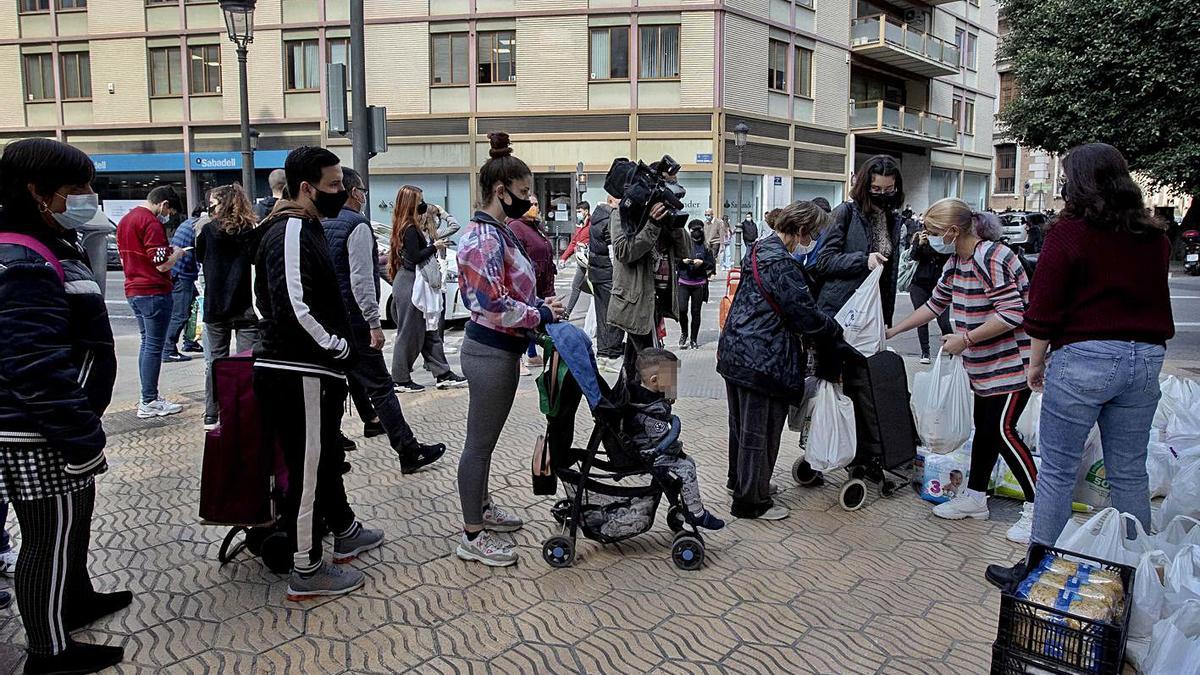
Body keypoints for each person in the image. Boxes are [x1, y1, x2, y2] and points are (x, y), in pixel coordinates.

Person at [987, 143, 1174, 587]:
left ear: (1080, 183)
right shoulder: (1155, 237)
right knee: (1129, 469)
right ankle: (1133, 574)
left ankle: (1036, 568)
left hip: (1085, 357)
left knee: (1057, 468)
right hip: (1146, 358)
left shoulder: (1068, 233)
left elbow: (1044, 308)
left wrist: (1035, 364)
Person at [0, 138, 128, 673]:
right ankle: (48, 652)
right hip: (38, 431)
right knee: (46, 538)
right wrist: (79, 435)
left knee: (73, 522)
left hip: (58, 425)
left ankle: (75, 600)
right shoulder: (22, 256)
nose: (88, 197)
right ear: (38, 191)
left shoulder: (50, 239)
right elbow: (31, 363)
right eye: (78, 188)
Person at [252, 146, 384, 599]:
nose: (342, 194)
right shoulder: (289, 228)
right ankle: (306, 568)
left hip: (309, 369)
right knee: (307, 470)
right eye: (333, 187)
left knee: (323, 459)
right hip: (299, 370)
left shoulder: (300, 226)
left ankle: (342, 529)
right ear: (306, 188)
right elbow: (290, 306)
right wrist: (339, 346)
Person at [887, 199, 1036, 542]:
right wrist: (893, 330)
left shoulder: (993, 258)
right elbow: (934, 305)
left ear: (954, 231)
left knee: (1004, 432)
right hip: (984, 369)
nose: (930, 237)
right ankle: (975, 498)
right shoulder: (956, 262)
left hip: (1012, 366)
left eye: (935, 231)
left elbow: (1013, 313)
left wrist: (965, 339)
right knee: (984, 432)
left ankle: (1038, 508)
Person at [455, 132, 564, 566]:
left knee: (483, 442)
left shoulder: (497, 233)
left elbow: (508, 292)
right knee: (478, 446)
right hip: (489, 353)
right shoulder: (482, 239)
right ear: (500, 192)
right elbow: (492, 303)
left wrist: (538, 306)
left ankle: (480, 510)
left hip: (500, 350)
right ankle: (472, 534)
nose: (529, 199)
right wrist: (540, 315)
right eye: (523, 192)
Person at [718, 201, 849, 520]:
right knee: (760, 431)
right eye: (814, 233)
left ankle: (743, 482)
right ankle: (752, 501)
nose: (814, 238)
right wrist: (835, 328)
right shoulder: (783, 263)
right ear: (802, 230)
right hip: (764, 357)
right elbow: (805, 315)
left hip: (736, 349)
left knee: (742, 426)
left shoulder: (758, 248)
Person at [322, 168, 446, 471]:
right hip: (354, 318)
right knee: (380, 385)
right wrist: (373, 323)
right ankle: (408, 450)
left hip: (329, 319)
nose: (365, 195)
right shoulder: (357, 225)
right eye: (362, 190)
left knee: (335, 384)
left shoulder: (321, 223)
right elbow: (360, 280)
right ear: (354, 193)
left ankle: (334, 444)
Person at [626, 349, 724, 530]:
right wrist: (677, 449)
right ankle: (696, 513)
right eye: (671, 378)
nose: (674, 383)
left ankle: (680, 506)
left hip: (647, 447)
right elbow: (663, 441)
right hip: (650, 453)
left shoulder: (642, 397)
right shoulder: (650, 412)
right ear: (654, 380)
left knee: (686, 462)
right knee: (686, 468)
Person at [388, 185, 467, 393]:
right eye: (420, 200)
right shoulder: (410, 228)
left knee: (429, 331)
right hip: (412, 283)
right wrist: (436, 246)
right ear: (411, 203)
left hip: (415, 281)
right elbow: (414, 257)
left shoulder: (405, 225)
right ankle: (400, 379)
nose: (423, 203)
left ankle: (442, 374)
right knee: (410, 332)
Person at [116, 185, 186, 419]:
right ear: (164, 204)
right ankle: (149, 400)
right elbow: (161, 263)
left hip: (133, 289)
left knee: (148, 344)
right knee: (154, 347)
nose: (167, 217)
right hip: (153, 290)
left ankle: (148, 397)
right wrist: (176, 254)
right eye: (169, 212)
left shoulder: (126, 220)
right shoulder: (150, 222)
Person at [195, 185, 261, 430]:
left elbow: (200, 258)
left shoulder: (208, 231)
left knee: (215, 361)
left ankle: (212, 414)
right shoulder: (251, 232)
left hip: (215, 305)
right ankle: (245, 410)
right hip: (246, 306)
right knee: (247, 362)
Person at [811, 154, 904, 326]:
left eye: (889, 189)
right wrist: (863, 260)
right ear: (864, 186)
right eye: (876, 189)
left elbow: (888, 276)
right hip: (840, 310)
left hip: (872, 311)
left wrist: (886, 316)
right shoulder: (845, 213)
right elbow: (823, 261)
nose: (883, 194)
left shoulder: (893, 220)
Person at [609, 163, 690, 351]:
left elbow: (685, 253)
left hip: (657, 301)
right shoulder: (623, 214)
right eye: (669, 184)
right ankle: (663, 380)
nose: (674, 189)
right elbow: (623, 252)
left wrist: (674, 223)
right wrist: (652, 224)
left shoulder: (667, 215)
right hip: (636, 303)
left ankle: (631, 379)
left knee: (640, 361)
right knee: (656, 365)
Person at [162, 205, 205, 362]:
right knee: (180, 314)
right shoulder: (198, 225)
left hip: (181, 272)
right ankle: (168, 349)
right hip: (183, 275)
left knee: (192, 309)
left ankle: (189, 342)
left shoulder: (188, 223)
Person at [588, 195, 625, 372]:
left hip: (596, 273)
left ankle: (603, 354)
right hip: (609, 273)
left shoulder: (596, 215)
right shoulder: (610, 217)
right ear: (611, 200)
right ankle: (612, 354)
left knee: (602, 315)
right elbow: (614, 250)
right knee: (615, 316)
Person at [908, 229, 953, 364]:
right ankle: (925, 352)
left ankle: (953, 351)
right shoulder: (920, 237)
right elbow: (913, 256)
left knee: (943, 321)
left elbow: (950, 257)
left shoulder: (945, 239)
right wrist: (920, 244)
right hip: (920, 284)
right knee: (921, 320)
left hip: (940, 285)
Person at [676, 219, 715, 350]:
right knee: (682, 309)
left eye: (699, 230)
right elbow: (676, 261)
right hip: (684, 281)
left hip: (699, 283)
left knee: (696, 311)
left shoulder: (706, 246)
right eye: (694, 230)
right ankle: (684, 333)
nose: (697, 233)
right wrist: (683, 261)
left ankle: (693, 339)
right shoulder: (684, 244)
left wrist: (702, 263)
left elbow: (711, 265)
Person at [560, 200, 591, 319]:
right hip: (581, 262)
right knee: (576, 286)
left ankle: (598, 295)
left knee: (580, 285)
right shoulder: (580, 225)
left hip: (591, 260)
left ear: (586, 211)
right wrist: (563, 258)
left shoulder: (592, 224)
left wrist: (587, 246)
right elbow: (573, 242)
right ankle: (567, 313)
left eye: (579, 211)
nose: (577, 214)